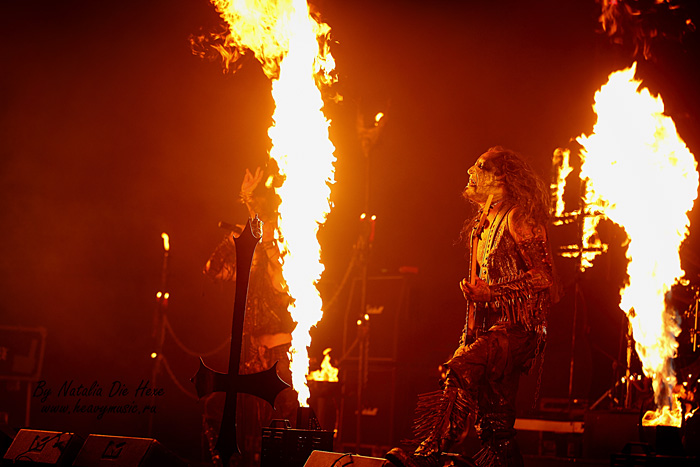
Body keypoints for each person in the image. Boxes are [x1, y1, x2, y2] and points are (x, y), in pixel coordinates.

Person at [386, 147, 555, 467]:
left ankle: (429, 449)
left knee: (459, 367)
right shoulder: (482, 224)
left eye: (480, 166)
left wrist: (491, 292)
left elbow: (544, 277)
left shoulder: (518, 217)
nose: (470, 171)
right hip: (491, 327)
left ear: (500, 177)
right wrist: (471, 328)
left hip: (519, 329)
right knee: (495, 429)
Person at [203, 167, 298, 466]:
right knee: (216, 408)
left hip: (280, 359)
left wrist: (266, 238)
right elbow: (214, 270)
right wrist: (235, 234)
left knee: (277, 427)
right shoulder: (254, 266)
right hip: (251, 359)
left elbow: (283, 286)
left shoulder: (290, 261)